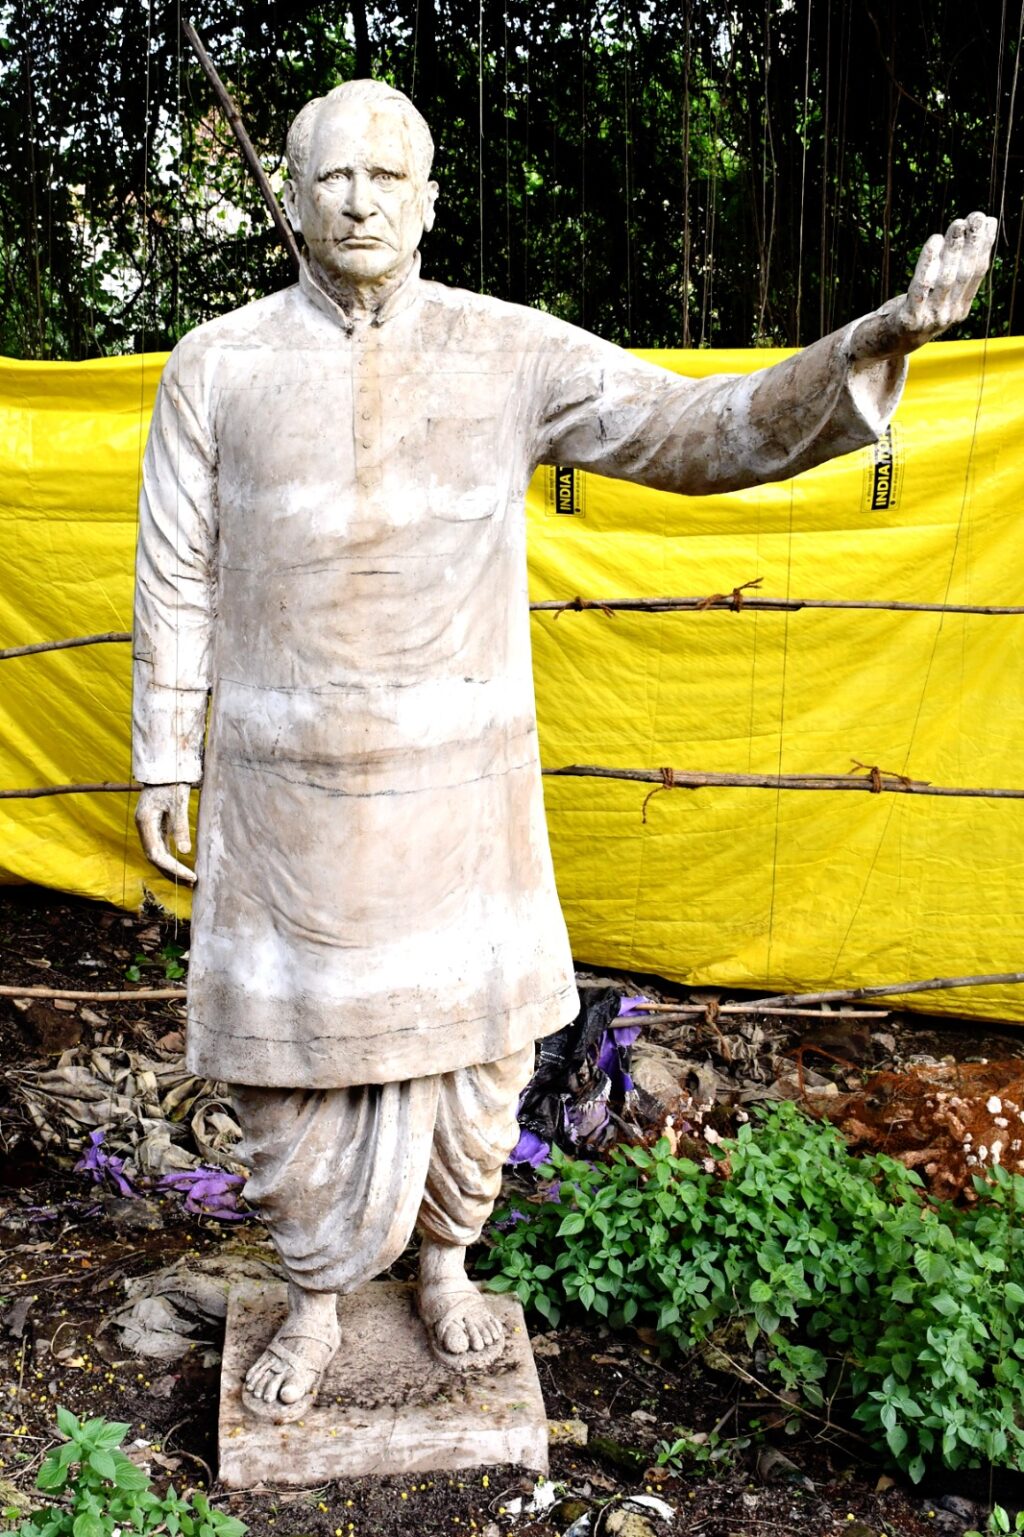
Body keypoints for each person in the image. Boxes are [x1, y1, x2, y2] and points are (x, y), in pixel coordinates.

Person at [132, 78, 995, 1421]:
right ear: (291, 200)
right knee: (284, 1057)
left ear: (429, 201)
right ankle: (313, 1297)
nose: (359, 200)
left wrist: (880, 335)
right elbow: (176, 570)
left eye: (387, 176)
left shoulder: (507, 350)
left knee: (478, 1053)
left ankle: (445, 1266)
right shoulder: (216, 363)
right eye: (333, 176)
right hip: (283, 788)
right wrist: (160, 751)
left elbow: (703, 428)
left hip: (463, 787)